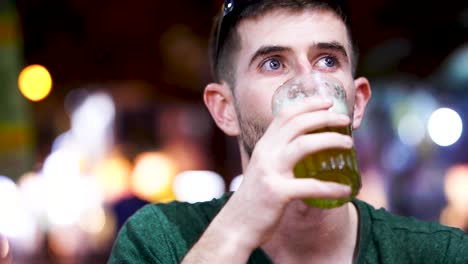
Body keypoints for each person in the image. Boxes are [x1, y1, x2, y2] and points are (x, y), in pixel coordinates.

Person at [109, 0, 468, 263]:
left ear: (357, 103)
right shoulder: (162, 241)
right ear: (225, 109)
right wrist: (238, 227)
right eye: (273, 63)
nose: (309, 85)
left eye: (327, 60)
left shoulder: (439, 254)